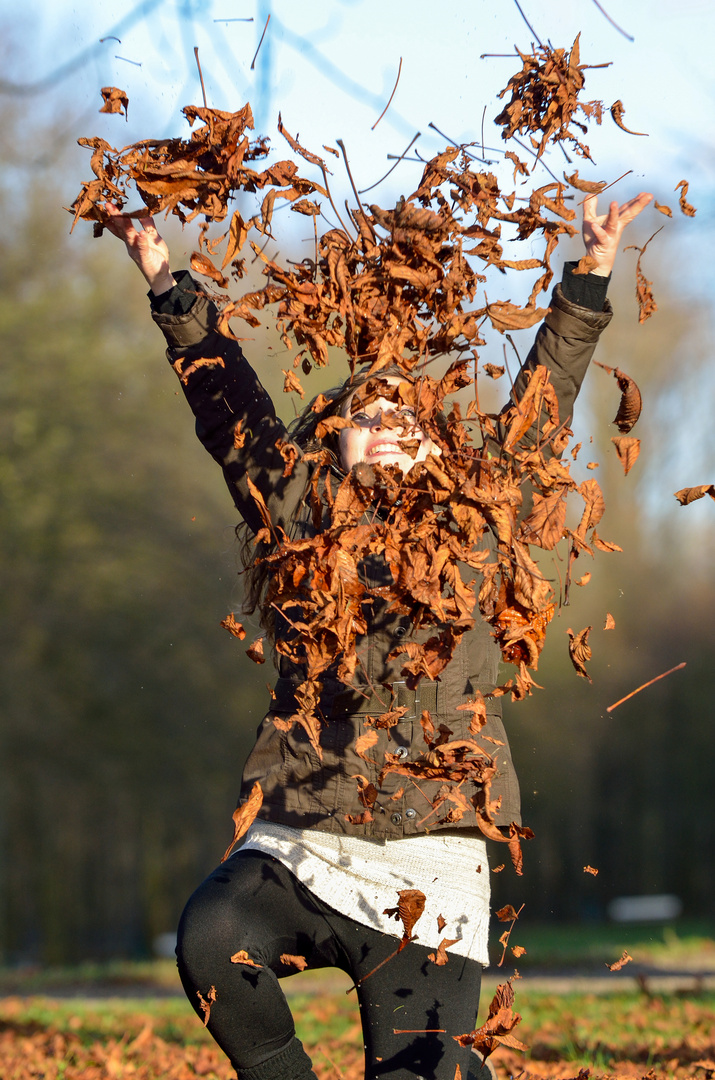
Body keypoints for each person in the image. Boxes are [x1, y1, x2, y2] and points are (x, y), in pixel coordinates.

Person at [104, 188, 652, 1080]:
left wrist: (586, 276)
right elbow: (233, 415)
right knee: (212, 938)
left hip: (429, 857)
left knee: (426, 1074)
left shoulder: (478, 517)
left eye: (408, 418)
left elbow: (540, 406)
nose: (388, 428)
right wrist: (168, 288)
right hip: (303, 836)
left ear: (439, 445)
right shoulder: (295, 512)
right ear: (335, 441)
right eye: (368, 417)